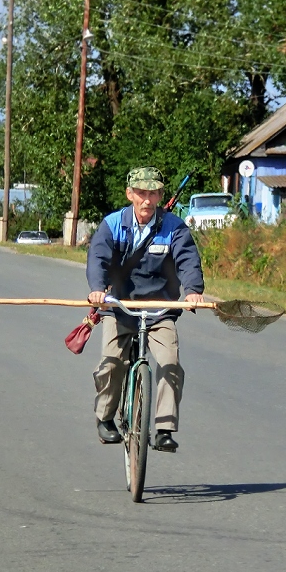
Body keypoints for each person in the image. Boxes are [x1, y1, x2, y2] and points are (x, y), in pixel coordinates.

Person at [86, 166, 205, 452]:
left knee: (170, 362)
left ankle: (163, 429)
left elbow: (188, 260)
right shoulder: (112, 224)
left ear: (160, 195)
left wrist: (193, 292)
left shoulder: (174, 227)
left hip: (159, 309)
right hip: (120, 306)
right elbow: (98, 258)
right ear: (130, 194)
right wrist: (97, 289)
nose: (147, 200)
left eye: (153, 194)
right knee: (112, 362)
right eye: (141, 193)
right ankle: (105, 418)